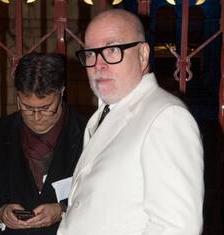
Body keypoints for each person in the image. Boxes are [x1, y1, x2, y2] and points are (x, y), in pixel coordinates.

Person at [57, 9, 204, 235]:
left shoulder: (165, 116)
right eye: (90, 53)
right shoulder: (101, 116)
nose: (98, 64)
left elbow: (177, 228)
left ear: (143, 55)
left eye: (112, 49)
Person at [0, 53, 87, 235]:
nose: (36, 117)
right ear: (17, 95)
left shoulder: (89, 132)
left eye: (45, 108)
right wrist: (0, 213)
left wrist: (62, 210)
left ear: (62, 92)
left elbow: (105, 193)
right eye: (27, 107)